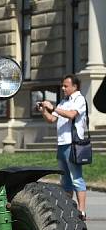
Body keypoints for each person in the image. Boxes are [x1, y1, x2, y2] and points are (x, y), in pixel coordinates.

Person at [37, 74, 88, 219]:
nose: (63, 88)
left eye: (66, 86)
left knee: (76, 178)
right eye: (62, 85)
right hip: (62, 143)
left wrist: (53, 107)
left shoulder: (79, 99)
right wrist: (44, 110)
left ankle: (82, 211)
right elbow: (52, 119)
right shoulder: (64, 101)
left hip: (73, 144)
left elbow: (72, 115)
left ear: (75, 87)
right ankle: (68, 208)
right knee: (65, 180)